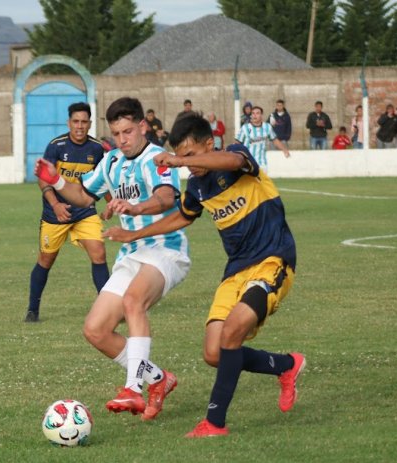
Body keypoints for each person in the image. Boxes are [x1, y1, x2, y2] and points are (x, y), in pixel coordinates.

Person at [104, 112, 305, 438]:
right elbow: (182, 217)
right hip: (236, 269)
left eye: (191, 155)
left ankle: (214, 423)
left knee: (233, 330)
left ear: (210, 144)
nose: (189, 165)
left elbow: (230, 160)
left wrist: (178, 161)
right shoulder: (198, 186)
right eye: (181, 157)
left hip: (273, 260)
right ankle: (286, 365)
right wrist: (133, 234)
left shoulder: (237, 158)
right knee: (214, 353)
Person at [35, 97, 190, 420]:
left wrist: (136, 207)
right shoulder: (111, 161)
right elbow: (82, 196)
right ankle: (158, 379)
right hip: (132, 253)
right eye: (117, 133)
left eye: (128, 132)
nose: (122, 139)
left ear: (143, 126)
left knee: (134, 301)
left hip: (165, 249)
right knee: (96, 330)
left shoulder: (157, 158)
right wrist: (56, 180)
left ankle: (133, 388)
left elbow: (165, 197)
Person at [24, 102, 109, 323]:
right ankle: (33, 310)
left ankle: (108, 309)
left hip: (85, 211)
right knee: (46, 259)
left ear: (90, 124)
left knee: (99, 253)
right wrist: (56, 205)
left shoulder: (96, 149)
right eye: (75, 121)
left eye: (84, 122)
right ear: (68, 123)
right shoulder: (56, 146)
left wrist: (111, 204)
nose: (80, 126)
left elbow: (103, 180)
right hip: (55, 214)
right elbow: (44, 180)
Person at [235, 106, 289, 171]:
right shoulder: (245, 128)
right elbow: (237, 143)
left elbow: (275, 140)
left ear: (261, 115)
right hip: (248, 164)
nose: (255, 115)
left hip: (262, 164)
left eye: (257, 113)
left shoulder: (267, 127)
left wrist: (284, 150)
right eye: (253, 113)